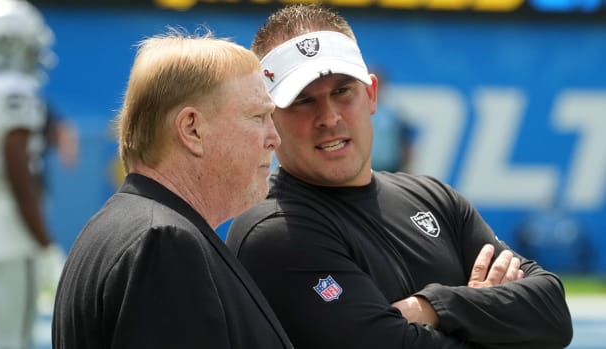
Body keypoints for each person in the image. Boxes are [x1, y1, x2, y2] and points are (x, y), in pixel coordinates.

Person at [226, 4, 573, 349]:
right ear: (268, 116)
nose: (328, 117)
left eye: (342, 91)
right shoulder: (273, 232)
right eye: (302, 100)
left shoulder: (436, 199)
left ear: (372, 94)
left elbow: (554, 313)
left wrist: (431, 307)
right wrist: (491, 317)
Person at [52, 30, 291, 349]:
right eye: (258, 117)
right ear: (192, 129)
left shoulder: (126, 226)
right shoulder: (163, 243)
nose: (274, 138)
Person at [0, 0, 60, 348]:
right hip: (8, 233)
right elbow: (16, 169)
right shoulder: (14, 92)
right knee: (12, 340)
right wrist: (43, 242)